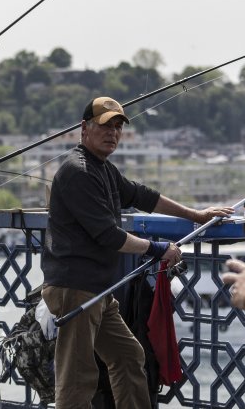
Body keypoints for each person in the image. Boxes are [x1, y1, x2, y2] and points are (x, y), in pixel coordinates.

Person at [41, 96, 233, 408]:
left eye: (118, 127)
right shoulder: (79, 171)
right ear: (83, 129)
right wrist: (158, 249)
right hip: (75, 289)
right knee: (77, 380)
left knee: (129, 356)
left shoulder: (103, 168)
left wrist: (196, 215)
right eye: (105, 126)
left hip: (98, 289)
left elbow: (142, 196)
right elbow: (109, 236)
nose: (112, 133)